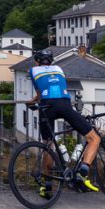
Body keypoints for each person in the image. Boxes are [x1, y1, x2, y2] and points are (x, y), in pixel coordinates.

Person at [26, 49, 100, 194]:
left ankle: (47, 187)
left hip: (47, 107)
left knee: (48, 145)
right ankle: (83, 172)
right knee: (94, 138)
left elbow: (40, 93)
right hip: (64, 105)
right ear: (51, 62)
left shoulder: (33, 70)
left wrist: (32, 101)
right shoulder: (59, 69)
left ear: (37, 62)